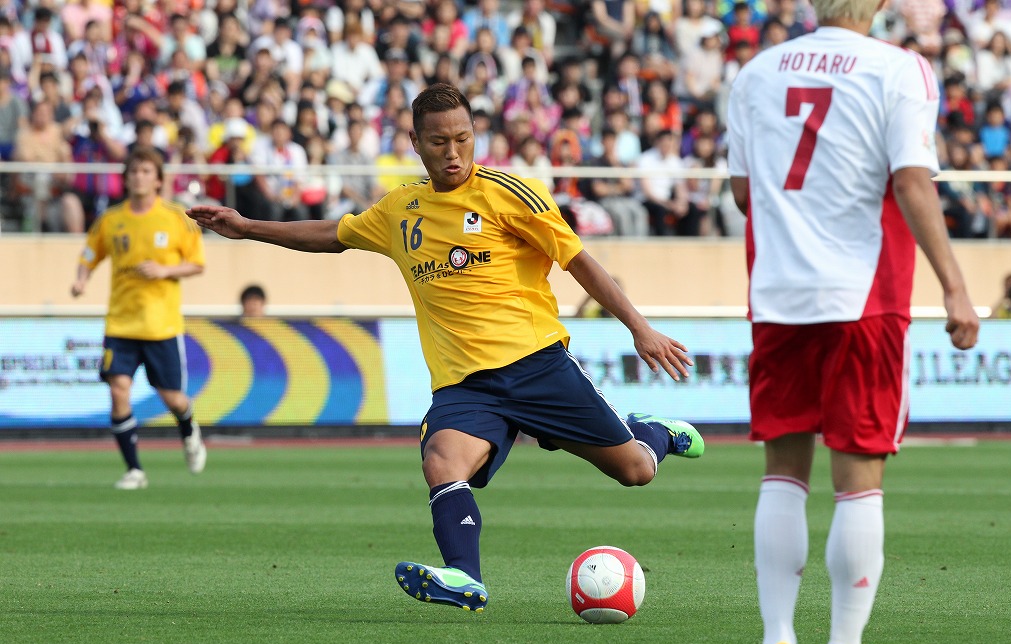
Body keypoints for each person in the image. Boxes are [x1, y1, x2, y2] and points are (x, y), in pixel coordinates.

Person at [188, 82, 705, 612]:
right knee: (441, 460)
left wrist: (639, 328)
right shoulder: (400, 210)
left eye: (463, 138)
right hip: (464, 385)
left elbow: (579, 261)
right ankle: (464, 576)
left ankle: (653, 432)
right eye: (439, 142)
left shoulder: (512, 194)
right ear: (415, 141)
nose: (453, 153)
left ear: (475, 134)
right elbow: (330, 233)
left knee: (635, 471)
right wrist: (249, 227)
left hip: (536, 367)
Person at [727, 0, 981, 644]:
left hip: (778, 294)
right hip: (863, 297)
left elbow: (743, 193)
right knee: (857, 479)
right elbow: (911, 181)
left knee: (782, 472)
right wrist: (956, 286)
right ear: (876, 4)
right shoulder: (900, 70)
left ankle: (776, 642)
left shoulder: (755, 72)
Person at [70, 147, 209, 490]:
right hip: (121, 324)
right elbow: (90, 253)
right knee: (119, 390)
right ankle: (134, 470)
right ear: (126, 177)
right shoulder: (111, 220)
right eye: (133, 171)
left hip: (161, 326)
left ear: (159, 179)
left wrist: (165, 270)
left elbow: (196, 264)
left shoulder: (177, 218)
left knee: (172, 398)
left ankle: (188, 426)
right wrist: (81, 278)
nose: (139, 177)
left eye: (146, 171)